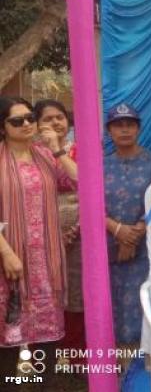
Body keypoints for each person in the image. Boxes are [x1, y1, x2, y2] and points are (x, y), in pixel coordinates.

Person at [0, 97, 77, 375]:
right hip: (8, 254)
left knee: (45, 325)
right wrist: (6, 253)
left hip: (45, 257)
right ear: (3, 127)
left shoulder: (45, 155)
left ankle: (43, 378)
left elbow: (81, 182)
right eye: (17, 120)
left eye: (30, 117)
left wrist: (57, 149)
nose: (27, 124)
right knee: (8, 320)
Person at [102, 103, 151, 361]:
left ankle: (147, 363)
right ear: (109, 131)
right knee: (112, 304)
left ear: (138, 129)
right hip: (108, 249)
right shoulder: (100, 165)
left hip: (145, 250)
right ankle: (118, 365)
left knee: (143, 300)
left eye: (130, 125)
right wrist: (118, 230)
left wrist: (133, 236)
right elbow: (91, 204)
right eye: (118, 125)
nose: (125, 130)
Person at [33, 99, 85, 363]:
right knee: (44, 293)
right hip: (39, 236)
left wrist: (57, 149)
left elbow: (84, 182)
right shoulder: (29, 154)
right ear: (36, 124)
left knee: (76, 293)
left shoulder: (81, 149)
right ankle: (43, 357)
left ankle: (75, 357)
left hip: (79, 236)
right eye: (48, 118)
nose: (55, 122)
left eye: (60, 117)